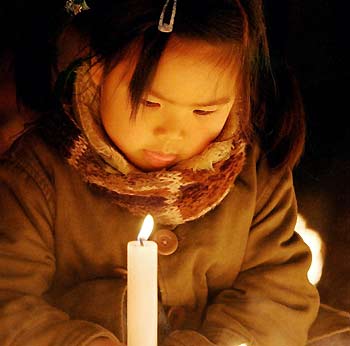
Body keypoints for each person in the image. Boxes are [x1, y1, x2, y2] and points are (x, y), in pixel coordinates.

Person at [0, 0, 320, 345]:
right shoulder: (38, 175)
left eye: (203, 111)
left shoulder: (253, 174)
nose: (172, 133)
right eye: (150, 103)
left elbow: (279, 292)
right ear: (97, 70)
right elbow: (10, 301)